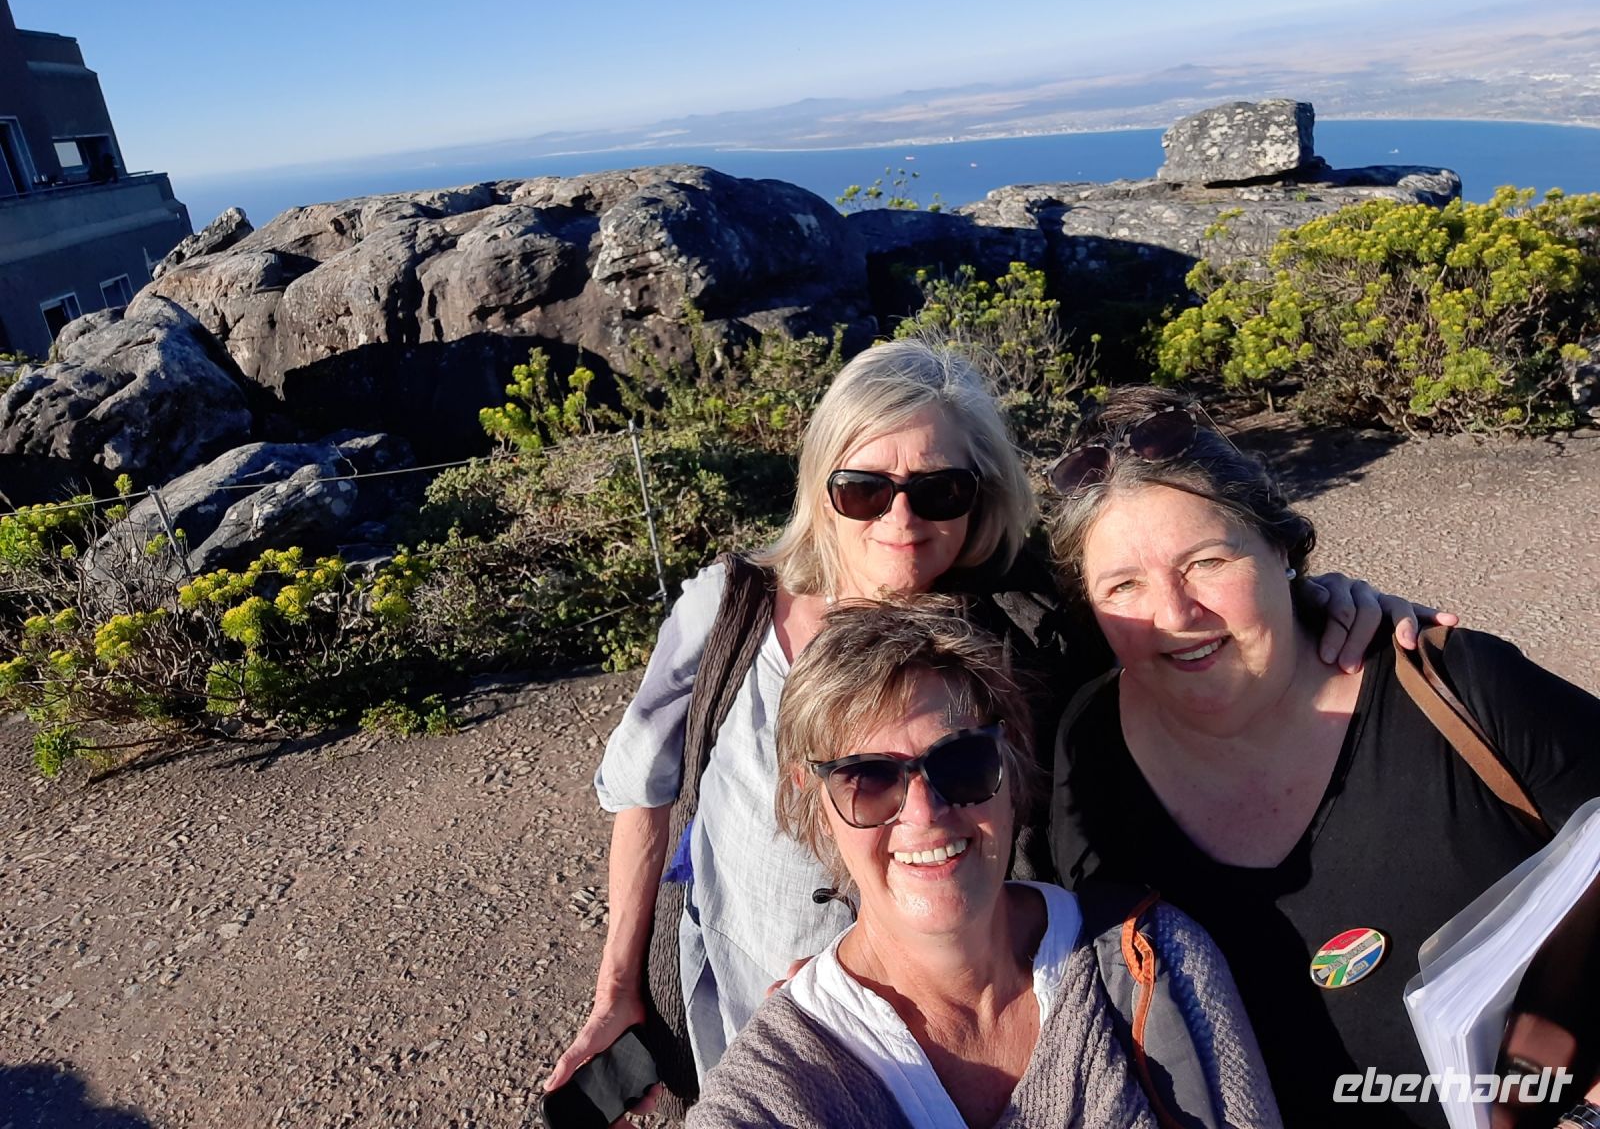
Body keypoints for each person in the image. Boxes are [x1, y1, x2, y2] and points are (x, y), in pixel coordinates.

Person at [544, 339, 1425, 1100]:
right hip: (755, 998)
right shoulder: (732, 611)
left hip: (966, 1033)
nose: (901, 519)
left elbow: (1179, 617)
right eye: (863, 489)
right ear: (821, 486)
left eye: (939, 490)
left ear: (983, 495)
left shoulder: (1030, 626)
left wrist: (1317, 604)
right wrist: (618, 987)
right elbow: (643, 788)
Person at [1044, 385, 1600, 1127]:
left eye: (1207, 561)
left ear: (1279, 546)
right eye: (1124, 585)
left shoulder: (1454, 690)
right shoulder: (1089, 752)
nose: (1175, 615)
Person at [689, 598, 1281, 1129]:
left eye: (962, 761)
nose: (924, 812)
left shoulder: (1155, 962)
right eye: (867, 778)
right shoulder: (781, 1081)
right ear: (816, 804)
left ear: (1012, 766)